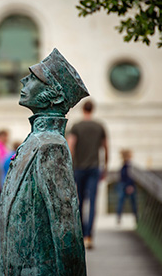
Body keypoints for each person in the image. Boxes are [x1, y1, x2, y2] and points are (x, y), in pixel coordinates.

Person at [0, 48, 88, 276]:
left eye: (35, 77)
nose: (23, 80)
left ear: (54, 95)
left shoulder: (51, 146)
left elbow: (67, 231)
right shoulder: (35, 141)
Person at [67, 99, 108, 250]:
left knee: (79, 201)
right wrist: (105, 166)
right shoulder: (99, 126)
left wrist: (70, 165)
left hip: (79, 168)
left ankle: (82, 233)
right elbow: (105, 147)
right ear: (93, 109)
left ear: (83, 109)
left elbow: (71, 146)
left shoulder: (76, 126)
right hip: (94, 167)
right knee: (92, 202)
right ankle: (89, 236)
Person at [117, 149, 138, 224]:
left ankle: (120, 217)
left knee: (123, 202)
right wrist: (129, 186)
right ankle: (135, 217)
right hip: (127, 185)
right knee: (128, 202)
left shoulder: (125, 166)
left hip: (125, 185)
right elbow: (129, 177)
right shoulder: (127, 166)